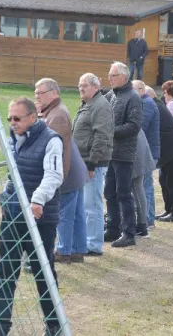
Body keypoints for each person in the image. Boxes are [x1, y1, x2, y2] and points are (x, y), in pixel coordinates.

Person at [0, 97, 63, 336]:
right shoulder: (12, 138)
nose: (12, 122)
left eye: (17, 118)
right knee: (5, 270)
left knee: (43, 272)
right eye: (9, 118)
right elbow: (13, 173)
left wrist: (37, 200)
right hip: (14, 215)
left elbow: (54, 175)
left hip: (40, 218)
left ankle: (54, 325)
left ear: (32, 117)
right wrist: (6, 197)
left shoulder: (51, 140)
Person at [34, 78, 89, 264]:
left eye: (40, 93)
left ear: (54, 93)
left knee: (65, 213)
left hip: (68, 173)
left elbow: (61, 151)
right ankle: (78, 250)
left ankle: (65, 251)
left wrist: (60, 179)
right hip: (74, 171)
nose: (37, 96)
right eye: (36, 93)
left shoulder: (56, 116)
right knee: (77, 213)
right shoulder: (54, 111)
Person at [73, 73, 114, 255]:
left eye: (85, 85)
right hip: (83, 162)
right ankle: (87, 241)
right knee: (85, 205)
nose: (81, 88)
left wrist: (91, 163)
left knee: (92, 205)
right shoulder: (88, 104)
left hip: (93, 164)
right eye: (80, 85)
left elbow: (102, 136)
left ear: (96, 87)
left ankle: (94, 245)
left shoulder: (100, 106)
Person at [103, 62, 142, 247]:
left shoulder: (133, 97)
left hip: (124, 154)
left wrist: (110, 131)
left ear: (124, 78)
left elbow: (134, 126)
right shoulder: (111, 94)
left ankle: (129, 233)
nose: (109, 78)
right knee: (109, 191)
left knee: (123, 193)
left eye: (113, 75)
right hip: (110, 152)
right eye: (109, 75)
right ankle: (113, 228)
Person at [147, 85, 173, 223]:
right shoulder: (158, 105)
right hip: (169, 151)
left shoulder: (155, 107)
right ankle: (169, 210)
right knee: (164, 180)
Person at [132, 80, 160, 234]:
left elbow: (137, 127)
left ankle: (148, 220)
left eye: (133, 89)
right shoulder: (145, 102)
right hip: (147, 150)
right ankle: (147, 219)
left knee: (146, 187)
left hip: (148, 152)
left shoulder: (147, 104)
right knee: (144, 186)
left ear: (141, 90)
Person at [131, 129, 155, 235]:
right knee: (138, 189)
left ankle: (142, 225)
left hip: (135, 153)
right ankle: (142, 224)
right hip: (138, 150)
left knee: (137, 189)